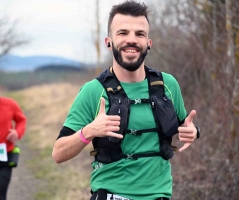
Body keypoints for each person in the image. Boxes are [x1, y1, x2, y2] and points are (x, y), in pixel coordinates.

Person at [52, 1, 200, 200]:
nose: (132, 40)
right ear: (109, 42)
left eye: (140, 34)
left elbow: (186, 126)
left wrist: (194, 132)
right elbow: (58, 153)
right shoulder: (93, 91)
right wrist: (89, 131)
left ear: (149, 43)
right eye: (123, 33)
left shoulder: (168, 85)